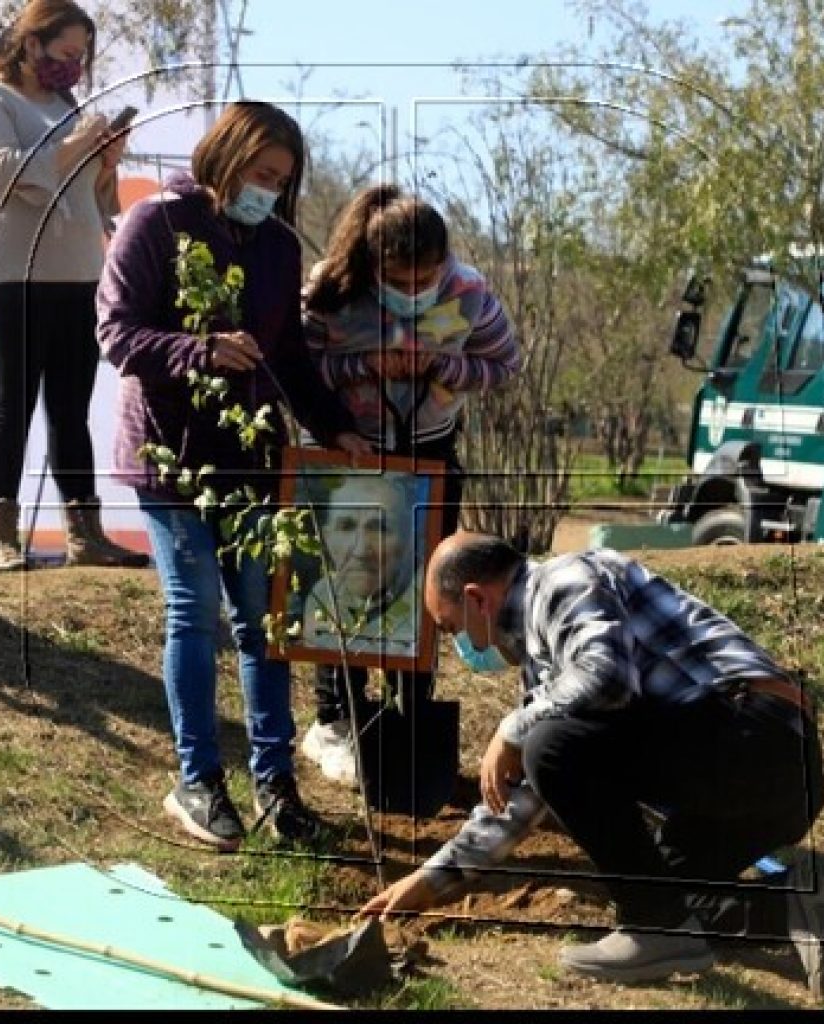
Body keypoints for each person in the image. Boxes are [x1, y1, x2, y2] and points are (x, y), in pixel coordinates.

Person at [359, 532, 824, 988]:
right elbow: (524, 792)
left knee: (548, 743)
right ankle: (799, 910)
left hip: (752, 738)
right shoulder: (545, 661)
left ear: (477, 599)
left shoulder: (563, 580)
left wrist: (511, 728)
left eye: (452, 628)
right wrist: (432, 879)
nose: (465, 646)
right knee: (661, 890)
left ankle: (656, 931)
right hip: (763, 773)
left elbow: (605, 680)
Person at [95, 101, 372, 848]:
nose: (269, 190)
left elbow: (288, 359)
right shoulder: (154, 223)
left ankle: (278, 790)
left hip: (252, 460)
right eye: (260, 174)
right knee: (195, 610)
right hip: (169, 455)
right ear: (224, 157)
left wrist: (333, 427)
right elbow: (118, 336)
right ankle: (199, 782)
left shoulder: (279, 246)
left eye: (281, 180)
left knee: (264, 622)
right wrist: (202, 349)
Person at [300, 185, 521, 788]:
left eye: (428, 273)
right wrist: (364, 365)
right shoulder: (330, 291)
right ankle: (336, 716)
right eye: (402, 275)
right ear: (372, 265)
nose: (417, 286)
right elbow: (301, 366)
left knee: (423, 585)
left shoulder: (469, 293)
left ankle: (411, 710)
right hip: (350, 452)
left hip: (429, 455)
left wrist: (443, 365)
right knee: (347, 579)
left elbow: (504, 363)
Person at [0, 0, 148, 571]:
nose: (74, 66)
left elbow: (95, 199)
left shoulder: (71, 107)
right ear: (31, 42)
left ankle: (84, 532)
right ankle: (0, 536)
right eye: (65, 53)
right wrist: (75, 147)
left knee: (71, 409)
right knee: (11, 407)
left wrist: (107, 160)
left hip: (78, 276)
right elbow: (5, 177)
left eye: (81, 57)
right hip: (13, 272)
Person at [301, 473, 420, 656]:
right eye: (346, 527)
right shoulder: (321, 597)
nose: (361, 551)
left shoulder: (423, 605)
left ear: (407, 540)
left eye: (380, 528)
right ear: (326, 537)